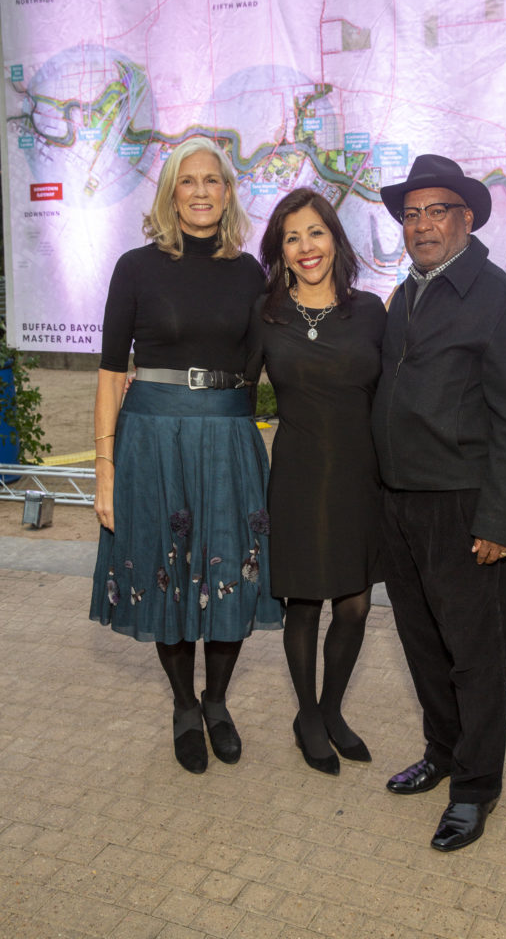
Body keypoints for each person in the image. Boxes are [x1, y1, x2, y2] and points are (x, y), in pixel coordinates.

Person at [90, 137, 283, 775]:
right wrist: (105, 472)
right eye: (188, 181)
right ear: (171, 193)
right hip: (151, 437)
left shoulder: (250, 272)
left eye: (213, 181)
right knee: (168, 572)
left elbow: (267, 364)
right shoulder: (135, 267)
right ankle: (181, 704)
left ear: (228, 193)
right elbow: (111, 373)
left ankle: (217, 700)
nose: (201, 191)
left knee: (230, 564)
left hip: (228, 437)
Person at [371, 154, 506, 850]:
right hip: (399, 501)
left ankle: (476, 788)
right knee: (422, 646)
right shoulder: (404, 296)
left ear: (466, 219)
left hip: (463, 508)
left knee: (475, 657)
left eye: (436, 210)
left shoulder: (504, 303)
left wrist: (498, 520)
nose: (422, 225)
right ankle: (442, 754)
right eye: (411, 214)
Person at [247, 188, 386, 775]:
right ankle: (306, 714)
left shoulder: (372, 312)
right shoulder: (266, 314)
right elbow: (233, 391)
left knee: (354, 606)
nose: (307, 247)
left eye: (316, 233)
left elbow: (398, 393)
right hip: (299, 476)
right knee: (303, 605)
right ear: (280, 250)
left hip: (362, 477)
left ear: (335, 237)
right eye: (292, 237)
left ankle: (331, 710)